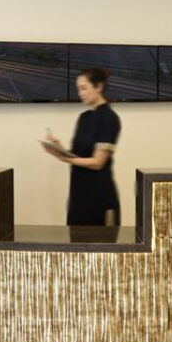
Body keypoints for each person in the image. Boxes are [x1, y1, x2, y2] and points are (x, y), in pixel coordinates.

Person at [42, 68, 121, 226]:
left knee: (100, 240)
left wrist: (65, 159)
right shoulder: (84, 118)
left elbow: (97, 163)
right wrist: (58, 148)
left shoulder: (109, 118)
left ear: (99, 86)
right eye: (78, 89)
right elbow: (77, 155)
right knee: (75, 239)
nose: (80, 93)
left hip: (99, 196)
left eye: (84, 88)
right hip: (78, 194)